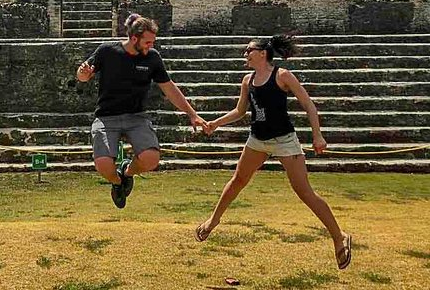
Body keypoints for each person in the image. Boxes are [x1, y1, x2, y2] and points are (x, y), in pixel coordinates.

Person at [194, 34, 352, 270]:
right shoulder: (247, 80)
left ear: (262, 53)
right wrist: (215, 123)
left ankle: (339, 237)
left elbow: (308, 105)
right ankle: (212, 222)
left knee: (304, 192)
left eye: (248, 51)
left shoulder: (283, 75)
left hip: (284, 140)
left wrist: (317, 135)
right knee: (238, 181)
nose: (245, 55)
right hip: (257, 140)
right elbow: (239, 111)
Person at [77, 14, 208, 209]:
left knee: (151, 159)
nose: (150, 46)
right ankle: (117, 182)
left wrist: (192, 114)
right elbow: (83, 75)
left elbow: (169, 88)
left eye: (152, 42)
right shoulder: (107, 51)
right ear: (134, 38)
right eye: (147, 42)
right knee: (104, 166)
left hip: (136, 117)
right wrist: (83, 74)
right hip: (106, 118)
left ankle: (127, 173)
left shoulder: (152, 58)